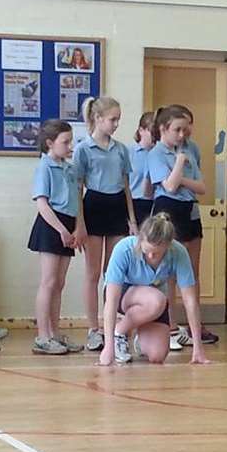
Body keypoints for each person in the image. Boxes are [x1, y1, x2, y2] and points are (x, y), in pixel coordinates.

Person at [97, 213, 208, 366]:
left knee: (157, 356)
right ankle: (119, 332)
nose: (150, 255)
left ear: (168, 246)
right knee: (156, 301)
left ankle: (141, 339)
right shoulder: (124, 249)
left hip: (154, 297)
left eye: (156, 253)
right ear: (141, 240)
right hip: (124, 294)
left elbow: (190, 301)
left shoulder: (178, 252)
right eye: (146, 250)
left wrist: (198, 347)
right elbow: (111, 300)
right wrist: (108, 348)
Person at [74, 96, 136, 351]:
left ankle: (112, 325)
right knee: (92, 273)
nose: (116, 124)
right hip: (94, 206)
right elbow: (77, 188)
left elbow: (126, 186)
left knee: (114, 273)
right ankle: (93, 328)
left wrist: (132, 219)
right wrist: (79, 224)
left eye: (118, 119)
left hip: (116, 206)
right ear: (98, 119)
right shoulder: (83, 149)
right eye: (112, 119)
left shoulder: (121, 149)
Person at [149, 105, 205, 351]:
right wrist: (180, 164)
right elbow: (169, 186)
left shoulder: (192, 148)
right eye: (177, 130)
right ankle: (169, 327)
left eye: (186, 129)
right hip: (168, 207)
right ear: (163, 129)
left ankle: (194, 327)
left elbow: (201, 187)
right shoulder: (157, 153)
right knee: (170, 272)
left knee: (192, 270)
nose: (183, 135)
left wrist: (182, 177)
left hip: (190, 207)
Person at [28, 120, 86, 355]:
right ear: (50, 143)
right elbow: (42, 203)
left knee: (59, 284)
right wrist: (61, 229)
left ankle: (54, 332)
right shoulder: (45, 167)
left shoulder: (70, 169)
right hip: (52, 225)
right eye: (66, 141)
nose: (70, 145)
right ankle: (42, 336)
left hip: (70, 224)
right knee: (49, 281)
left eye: (71, 140)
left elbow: (77, 200)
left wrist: (79, 227)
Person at [130, 111, 156, 222]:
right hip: (134, 203)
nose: (156, 137)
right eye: (153, 132)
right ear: (141, 131)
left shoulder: (161, 154)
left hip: (156, 204)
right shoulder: (128, 152)